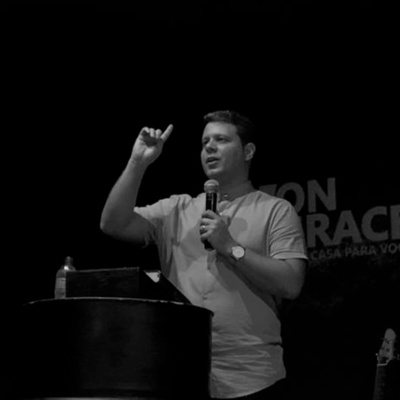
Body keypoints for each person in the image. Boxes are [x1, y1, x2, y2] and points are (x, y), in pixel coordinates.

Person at [100, 110, 308, 400]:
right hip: (183, 372)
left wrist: (230, 247)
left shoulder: (276, 210)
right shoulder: (176, 208)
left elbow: (291, 284)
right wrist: (138, 162)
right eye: (204, 142)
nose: (209, 147)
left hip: (252, 377)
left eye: (221, 140)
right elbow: (113, 224)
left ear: (248, 151)